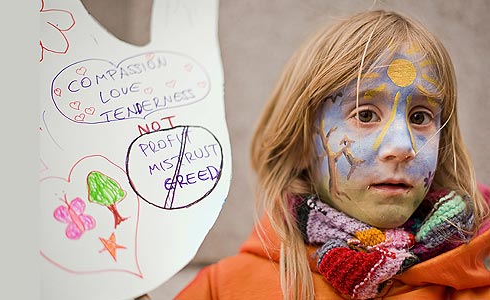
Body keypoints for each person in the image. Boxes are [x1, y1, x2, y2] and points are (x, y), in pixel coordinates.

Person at [174, 10, 490, 300]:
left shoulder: (471, 286)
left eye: (420, 117)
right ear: (300, 144)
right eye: (365, 115)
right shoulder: (223, 290)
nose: (402, 147)